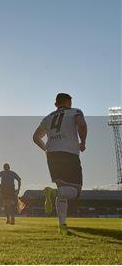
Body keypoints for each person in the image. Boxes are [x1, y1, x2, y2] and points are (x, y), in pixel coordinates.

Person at [33, 93, 87, 235]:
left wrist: (46, 149)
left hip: (52, 155)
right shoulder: (75, 111)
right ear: (69, 103)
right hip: (69, 153)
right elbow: (81, 124)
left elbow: (36, 137)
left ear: (56, 104)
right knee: (75, 191)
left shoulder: (48, 117)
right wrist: (83, 141)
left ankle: (62, 225)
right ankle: (53, 193)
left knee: (63, 191)